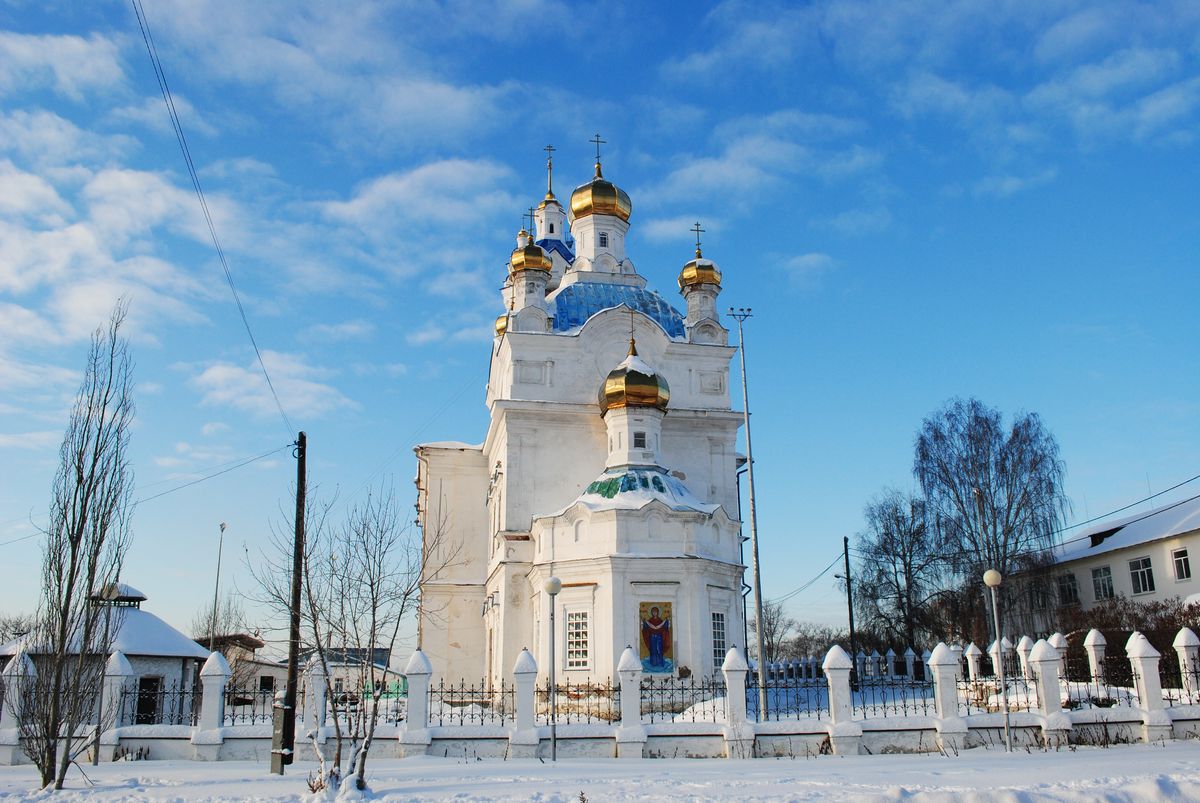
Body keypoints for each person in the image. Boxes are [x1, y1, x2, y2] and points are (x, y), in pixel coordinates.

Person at [641, 606, 671, 671]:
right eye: (653, 612)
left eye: (656, 612)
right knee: (653, 650)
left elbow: (664, 627)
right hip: (652, 638)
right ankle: (653, 663)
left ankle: (660, 663)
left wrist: (667, 621)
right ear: (651, 613)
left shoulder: (660, 621)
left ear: (658, 612)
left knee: (659, 650)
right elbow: (646, 628)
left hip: (659, 638)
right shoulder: (650, 621)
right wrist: (644, 622)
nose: (654, 613)